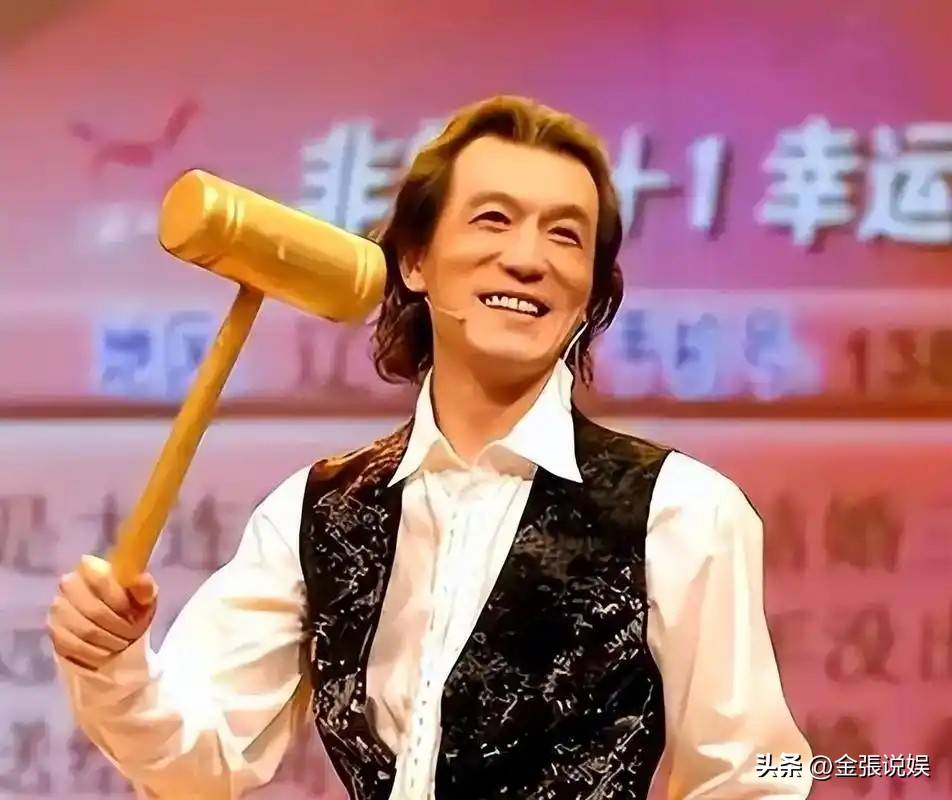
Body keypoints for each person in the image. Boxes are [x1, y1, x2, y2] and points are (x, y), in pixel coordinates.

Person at [48, 95, 813, 799]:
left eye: (565, 234)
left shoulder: (681, 511)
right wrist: (111, 662)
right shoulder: (317, 512)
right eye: (493, 219)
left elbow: (751, 776)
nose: (529, 259)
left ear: (589, 289)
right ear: (414, 261)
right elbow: (199, 759)